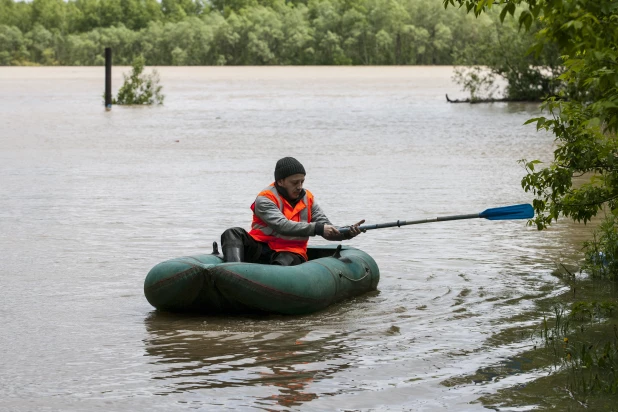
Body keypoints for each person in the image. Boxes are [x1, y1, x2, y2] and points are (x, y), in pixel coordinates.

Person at [220, 157, 365, 266]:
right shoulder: (265, 199)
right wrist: (318, 228)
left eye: (302, 181)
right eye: (295, 183)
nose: (300, 186)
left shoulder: (308, 199)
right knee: (232, 233)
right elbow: (283, 226)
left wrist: (346, 233)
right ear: (280, 182)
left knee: (286, 260)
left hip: (291, 252)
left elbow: (326, 227)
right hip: (261, 248)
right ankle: (233, 270)